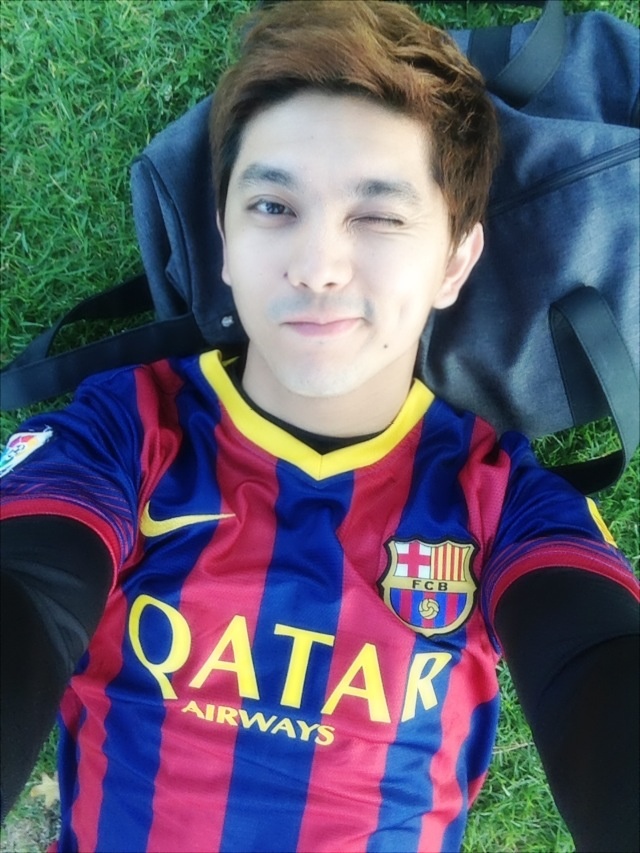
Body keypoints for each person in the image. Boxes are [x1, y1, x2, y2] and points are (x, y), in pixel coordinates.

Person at [1, 2, 638, 851]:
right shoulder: (124, 435)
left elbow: (597, 660)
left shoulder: (504, 503)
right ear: (224, 241)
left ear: (455, 261)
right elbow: (28, 591)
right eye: (273, 206)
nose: (317, 266)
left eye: (379, 215)